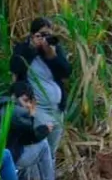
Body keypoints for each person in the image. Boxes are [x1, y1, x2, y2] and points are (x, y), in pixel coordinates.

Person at [10, 17, 72, 171]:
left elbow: (66, 72)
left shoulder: (54, 49)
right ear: (32, 35)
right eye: (41, 35)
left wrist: (52, 56)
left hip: (57, 109)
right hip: (38, 108)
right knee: (38, 148)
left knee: (50, 152)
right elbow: (15, 67)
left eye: (48, 35)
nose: (45, 39)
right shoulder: (23, 48)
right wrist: (32, 48)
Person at [0, 81, 58, 180]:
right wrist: (40, 124)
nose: (27, 105)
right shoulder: (17, 112)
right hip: (5, 161)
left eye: (29, 102)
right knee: (44, 145)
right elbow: (32, 137)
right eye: (25, 100)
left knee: (23, 147)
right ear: (14, 97)